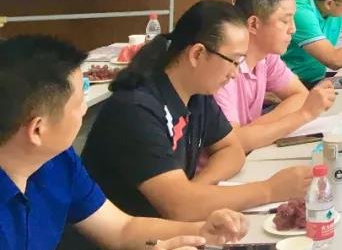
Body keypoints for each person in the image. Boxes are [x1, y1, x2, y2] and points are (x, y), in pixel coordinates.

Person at [0, 34, 247, 250]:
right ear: (38, 129)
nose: (85, 110)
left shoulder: (58, 161)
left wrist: (200, 230)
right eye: (78, 103)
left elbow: (122, 229)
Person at [76, 1, 311, 226]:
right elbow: (180, 208)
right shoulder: (136, 110)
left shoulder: (197, 94)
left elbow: (231, 149)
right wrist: (269, 190)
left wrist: (196, 189)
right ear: (197, 54)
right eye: (234, 61)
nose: (235, 74)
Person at [215, 0, 336, 152]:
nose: (293, 29)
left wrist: (255, 130)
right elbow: (233, 143)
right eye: (285, 21)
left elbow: (300, 95)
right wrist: (303, 115)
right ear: (253, 24)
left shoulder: (268, 57)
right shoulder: (224, 69)